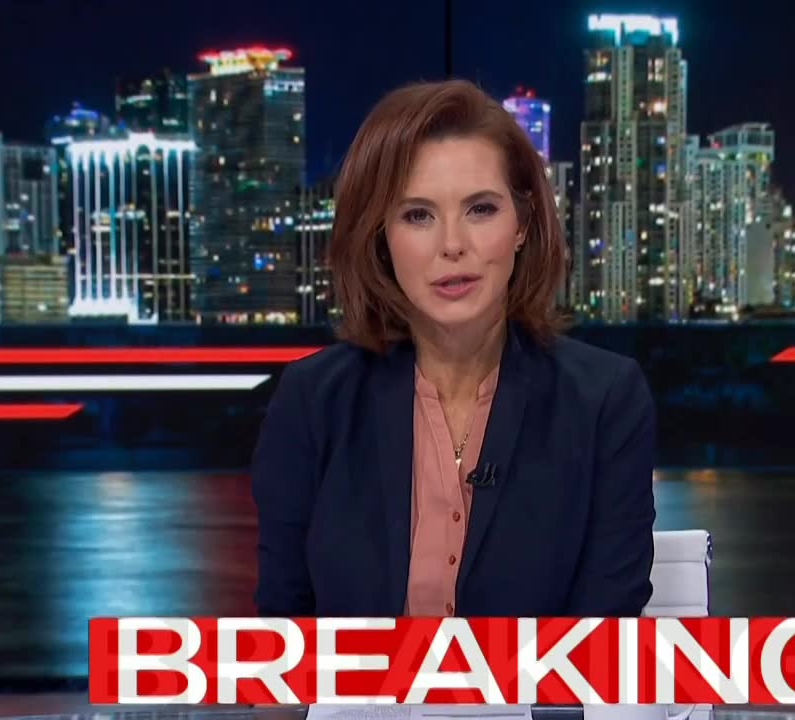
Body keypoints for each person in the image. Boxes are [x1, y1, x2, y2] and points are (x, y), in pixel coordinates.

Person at [251, 79, 656, 619]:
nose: (452, 245)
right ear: (381, 236)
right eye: (418, 215)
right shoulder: (313, 401)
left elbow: (605, 640)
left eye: (480, 209)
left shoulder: (604, 401)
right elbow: (283, 639)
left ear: (522, 223)